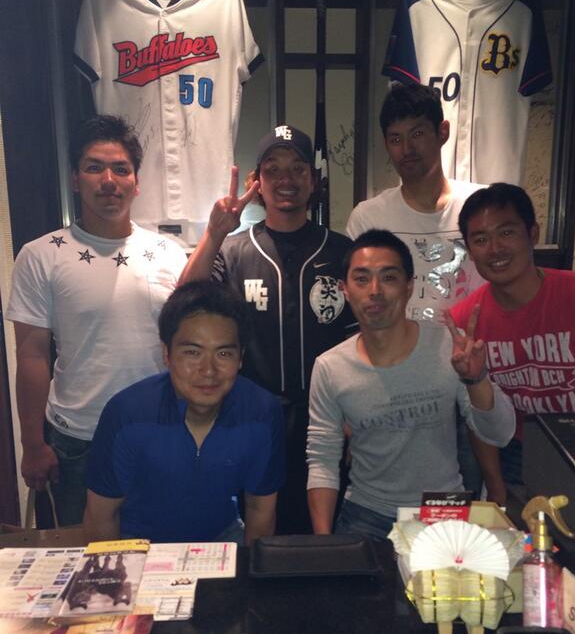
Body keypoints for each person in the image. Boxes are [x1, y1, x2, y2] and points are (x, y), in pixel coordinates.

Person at [6, 115, 188, 525]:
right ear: (75, 179)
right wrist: (32, 444)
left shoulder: (168, 253)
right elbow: (32, 355)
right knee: (86, 556)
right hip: (78, 440)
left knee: (162, 545)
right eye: (94, 167)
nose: (108, 180)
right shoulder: (42, 255)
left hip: (161, 432)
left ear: (136, 182)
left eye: (121, 169)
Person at [181, 125, 356, 533]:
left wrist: (355, 411)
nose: (285, 179)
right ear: (256, 183)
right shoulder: (233, 250)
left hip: (327, 417)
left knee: (322, 529)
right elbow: (185, 303)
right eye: (272, 169)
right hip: (252, 415)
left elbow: (357, 336)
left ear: (313, 180)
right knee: (259, 528)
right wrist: (214, 233)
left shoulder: (341, 251)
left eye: (297, 168)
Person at [307, 230, 515, 540]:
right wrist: (324, 542)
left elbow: (499, 433)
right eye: (362, 279)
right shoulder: (330, 367)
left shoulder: (447, 346)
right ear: (345, 290)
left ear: (409, 286)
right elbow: (322, 458)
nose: (375, 291)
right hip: (366, 514)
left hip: (441, 510)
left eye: (388, 278)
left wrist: (476, 378)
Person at [346, 83, 490, 497]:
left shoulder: (478, 205)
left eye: (418, 133)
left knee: (465, 502)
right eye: (395, 138)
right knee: (392, 498)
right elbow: (358, 305)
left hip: (469, 375)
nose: (407, 149)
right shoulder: (369, 216)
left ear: (442, 132)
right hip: (397, 380)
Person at [83, 281, 284, 545]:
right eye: (192, 352)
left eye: (224, 353)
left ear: (241, 357)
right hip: (139, 544)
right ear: (166, 354)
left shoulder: (262, 413)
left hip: (221, 538)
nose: (208, 370)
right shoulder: (126, 414)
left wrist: (251, 569)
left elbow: (260, 509)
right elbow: (101, 517)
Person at [450, 183, 575, 487]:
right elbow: (477, 417)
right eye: (481, 239)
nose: (495, 249)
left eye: (506, 233)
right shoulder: (464, 321)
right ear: (469, 251)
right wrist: (495, 485)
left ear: (533, 234)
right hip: (516, 449)